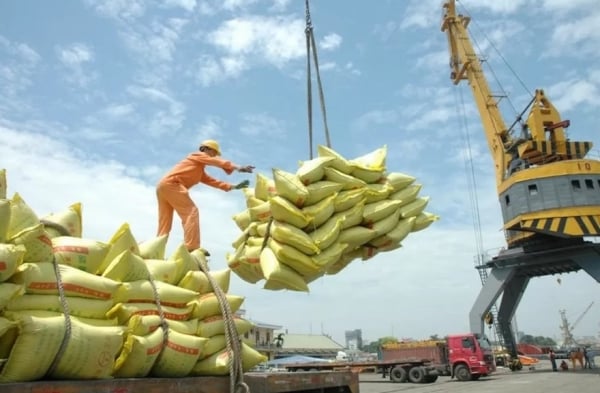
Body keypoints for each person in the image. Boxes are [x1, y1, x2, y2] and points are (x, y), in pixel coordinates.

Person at [156, 139, 254, 255]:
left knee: (165, 222)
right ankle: (192, 247)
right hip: (172, 185)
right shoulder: (196, 155)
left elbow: (212, 181)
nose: (214, 155)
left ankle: (156, 248)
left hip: (163, 187)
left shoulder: (198, 169)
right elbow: (215, 162)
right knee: (191, 212)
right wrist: (238, 167)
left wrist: (233, 187)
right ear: (206, 149)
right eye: (214, 152)